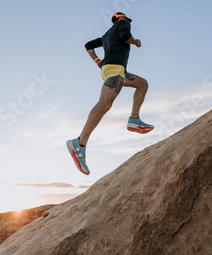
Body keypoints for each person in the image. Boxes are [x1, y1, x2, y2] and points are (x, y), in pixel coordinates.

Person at [66, 12, 154, 175]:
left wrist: (97, 60)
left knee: (142, 84)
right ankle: (80, 142)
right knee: (105, 104)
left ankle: (134, 119)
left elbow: (88, 45)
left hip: (115, 70)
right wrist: (136, 42)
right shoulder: (123, 23)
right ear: (122, 18)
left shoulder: (106, 35)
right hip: (114, 70)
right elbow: (126, 35)